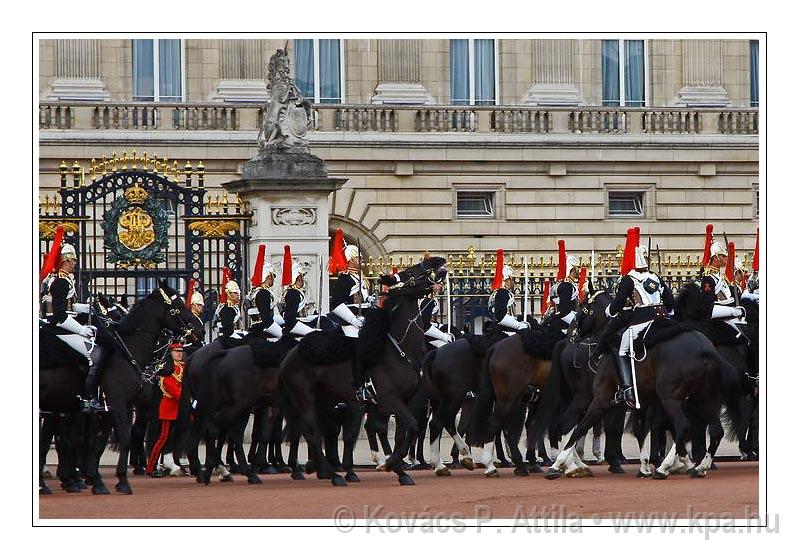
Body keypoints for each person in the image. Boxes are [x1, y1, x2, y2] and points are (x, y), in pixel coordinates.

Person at [606, 230, 674, 409]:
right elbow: (670, 301)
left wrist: (609, 311)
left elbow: (619, 302)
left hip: (643, 320)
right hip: (663, 317)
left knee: (622, 349)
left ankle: (627, 389)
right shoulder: (655, 277)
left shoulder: (629, 279)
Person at [40, 242, 104, 411]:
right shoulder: (61, 282)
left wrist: (84, 307)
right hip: (59, 329)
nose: (75, 263)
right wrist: (82, 330)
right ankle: (87, 396)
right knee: (95, 355)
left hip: (59, 326)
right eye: (73, 260)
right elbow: (60, 316)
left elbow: (67, 305)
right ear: (65, 261)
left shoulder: (60, 279)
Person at [146, 343, 185, 477]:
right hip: (168, 408)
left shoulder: (182, 367)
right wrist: (188, 400)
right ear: (171, 353)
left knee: (174, 437)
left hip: (179, 408)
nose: (179, 353)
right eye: (176, 351)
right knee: (162, 438)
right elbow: (172, 388)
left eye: (181, 351)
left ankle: (170, 462)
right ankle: (151, 466)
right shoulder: (167, 368)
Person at [699, 241, 746, 326]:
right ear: (716, 258)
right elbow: (708, 307)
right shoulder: (708, 279)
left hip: (730, 315)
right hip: (719, 321)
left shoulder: (722, 276)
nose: (726, 258)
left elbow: (731, 295)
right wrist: (732, 311)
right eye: (723, 256)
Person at [329, 243, 372, 336]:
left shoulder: (361, 277)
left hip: (365, 320)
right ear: (351, 260)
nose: (361, 260)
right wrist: (353, 320)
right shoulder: (345, 278)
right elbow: (336, 303)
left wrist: (368, 299)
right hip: (351, 323)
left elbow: (363, 297)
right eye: (358, 258)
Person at [488, 249, 529, 333]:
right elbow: (501, 315)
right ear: (506, 280)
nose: (512, 282)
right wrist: (519, 325)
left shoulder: (497, 293)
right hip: (506, 331)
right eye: (511, 279)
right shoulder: (502, 293)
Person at [282, 249, 318, 337]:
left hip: (301, 323)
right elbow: (291, 317)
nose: (302, 280)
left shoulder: (292, 291)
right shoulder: (293, 293)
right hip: (297, 327)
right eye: (300, 278)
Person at [247, 261, 283, 338]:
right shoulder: (263, 293)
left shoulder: (254, 291)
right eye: (269, 278)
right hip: (262, 330)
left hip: (255, 327)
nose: (271, 280)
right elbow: (266, 318)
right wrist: (282, 335)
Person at [422, 266, 454, 347]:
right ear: (433, 284)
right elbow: (424, 326)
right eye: (439, 283)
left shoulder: (430, 298)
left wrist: (438, 326)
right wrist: (444, 336)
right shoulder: (428, 301)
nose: (441, 286)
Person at [214, 280, 246, 347]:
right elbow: (228, 328)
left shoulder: (233, 307)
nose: (238, 295)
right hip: (227, 336)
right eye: (235, 293)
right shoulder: (228, 309)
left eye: (238, 293)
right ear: (229, 293)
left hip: (231, 332)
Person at [183, 290, 206, 356]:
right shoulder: (191, 318)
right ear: (193, 305)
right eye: (199, 305)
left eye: (201, 305)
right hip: (192, 348)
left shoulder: (197, 317)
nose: (202, 307)